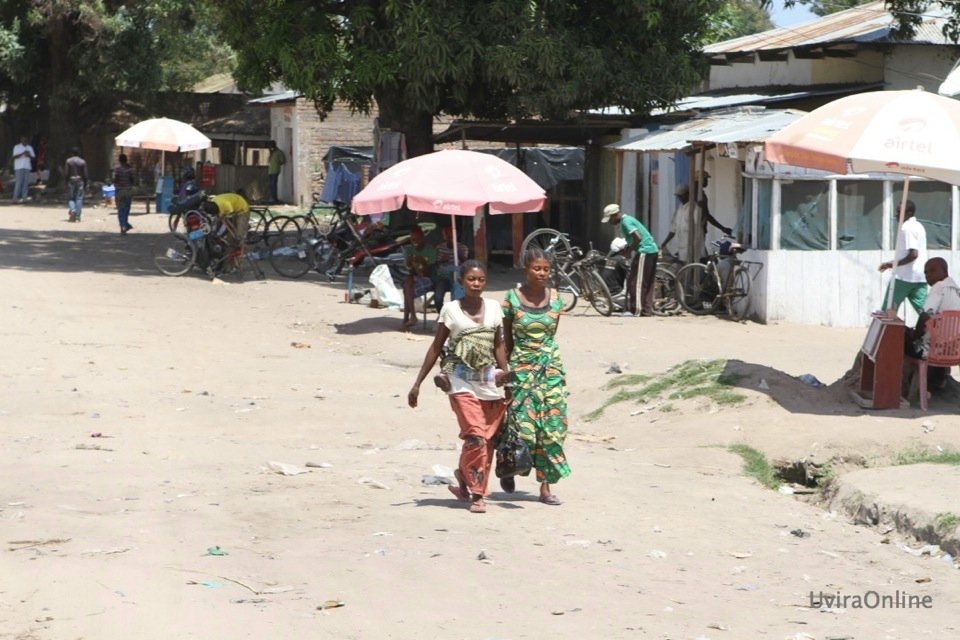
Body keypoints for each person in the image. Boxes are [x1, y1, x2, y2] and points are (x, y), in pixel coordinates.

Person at [408, 260, 511, 514]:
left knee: (487, 440)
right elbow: (436, 346)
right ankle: (478, 493)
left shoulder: (494, 308)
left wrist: (506, 377)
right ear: (461, 282)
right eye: (471, 279)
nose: (476, 284)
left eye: (481, 280)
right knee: (475, 434)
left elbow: (499, 345)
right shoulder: (451, 310)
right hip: (458, 379)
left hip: (488, 380)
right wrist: (418, 383)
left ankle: (464, 474)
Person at [502, 248, 571, 505]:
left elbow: (551, 336)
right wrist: (505, 373)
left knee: (553, 429)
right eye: (536, 268)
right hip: (521, 370)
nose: (542, 273)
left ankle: (545, 487)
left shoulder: (557, 299)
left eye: (546, 269)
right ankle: (510, 466)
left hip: (550, 370)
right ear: (526, 269)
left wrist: (548, 364)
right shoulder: (511, 299)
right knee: (524, 429)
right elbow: (507, 340)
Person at [905, 257, 960, 390]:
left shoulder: (938, 287)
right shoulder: (957, 291)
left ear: (944, 271)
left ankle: (909, 387)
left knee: (900, 337)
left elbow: (925, 316)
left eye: (932, 270)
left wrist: (915, 337)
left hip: (932, 351)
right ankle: (938, 380)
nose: (928, 275)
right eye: (926, 272)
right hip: (954, 350)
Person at [602, 203, 659, 316]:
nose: (610, 222)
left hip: (645, 251)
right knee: (646, 282)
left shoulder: (626, 222)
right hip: (651, 251)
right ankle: (646, 310)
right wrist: (628, 248)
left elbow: (638, 237)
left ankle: (637, 310)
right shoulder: (628, 220)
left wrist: (629, 251)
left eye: (610, 219)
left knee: (637, 282)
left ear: (615, 215)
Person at [661, 181, 731, 262]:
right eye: (679, 196)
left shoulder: (694, 207)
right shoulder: (680, 209)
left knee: (695, 263)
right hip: (681, 245)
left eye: (681, 196)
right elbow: (673, 229)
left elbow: (703, 218)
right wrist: (664, 243)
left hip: (693, 245)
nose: (680, 198)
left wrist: (722, 228)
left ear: (687, 194)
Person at [879, 200, 927, 313]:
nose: (896, 215)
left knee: (888, 312)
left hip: (904, 277)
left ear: (909, 213)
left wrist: (891, 264)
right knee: (926, 313)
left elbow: (913, 254)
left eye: (899, 212)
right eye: (896, 211)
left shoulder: (907, 227)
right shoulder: (919, 226)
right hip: (920, 278)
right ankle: (939, 325)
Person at [401, 224, 438, 330]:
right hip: (415, 278)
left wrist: (422, 263)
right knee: (408, 284)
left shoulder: (430, 250)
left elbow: (430, 271)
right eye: (413, 239)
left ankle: (408, 318)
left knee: (407, 288)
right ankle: (411, 317)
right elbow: (410, 271)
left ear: (422, 238)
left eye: (417, 239)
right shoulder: (409, 250)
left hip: (429, 278)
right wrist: (411, 264)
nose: (415, 242)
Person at [434, 224, 469, 312]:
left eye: (451, 236)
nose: (450, 238)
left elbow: (466, 264)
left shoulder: (462, 247)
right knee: (438, 297)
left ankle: (455, 313)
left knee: (457, 294)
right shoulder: (439, 248)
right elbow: (435, 264)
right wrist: (442, 260)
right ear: (444, 236)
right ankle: (442, 314)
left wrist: (458, 253)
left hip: (457, 277)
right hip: (443, 277)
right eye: (447, 236)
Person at [114, 153, 137, 235]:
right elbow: (133, 179)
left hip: (119, 190)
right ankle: (125, 224)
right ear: (126, 160)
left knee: (120, 209)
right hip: (128, 190)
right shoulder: (130, 169)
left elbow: (115, 179)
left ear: (119, 160)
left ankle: (122, 226)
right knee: (126, 208)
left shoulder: (117, 169)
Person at [63, 147, 88, 222]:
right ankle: (77, 217)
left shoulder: (68, 161)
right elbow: (85, 174)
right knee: (79, 198)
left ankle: (73, 210)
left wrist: (65, 182)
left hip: (71, 180)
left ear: (71, 153)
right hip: (80, 180)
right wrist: (85, 183)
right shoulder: (82, 161)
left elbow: (66, 173)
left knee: (71, 198)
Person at [11, 136, 35, 203]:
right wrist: (23, 153)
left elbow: (33, 158)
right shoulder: (17, 147)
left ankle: (24, 198)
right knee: (19, 182)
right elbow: (14, 157)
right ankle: (15, 198)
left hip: (27, 166)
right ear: (21, 140)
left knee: (26, 183)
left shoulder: (29, 147)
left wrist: (29, 155)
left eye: (25, 140)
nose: (24, 141)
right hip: (19, 167)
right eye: (23, 140)